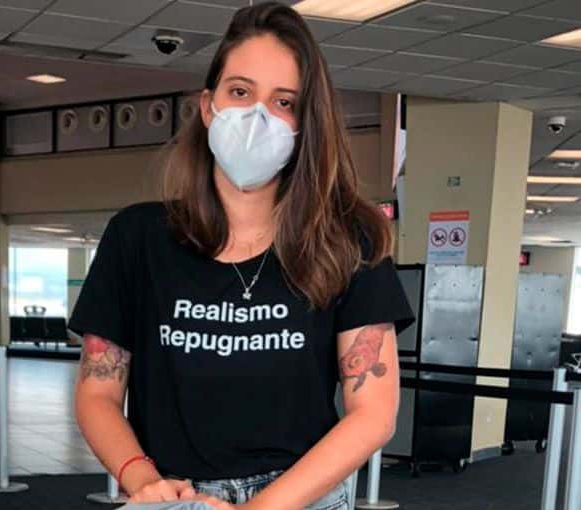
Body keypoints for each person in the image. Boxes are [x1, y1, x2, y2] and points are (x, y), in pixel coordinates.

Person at [69, 3, 415, 509]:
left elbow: (373, 413)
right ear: (208, 107)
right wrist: (142, 480)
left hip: (299, 496)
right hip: (172, 494)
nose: (257, 116)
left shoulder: (348, 241)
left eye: (283, 102)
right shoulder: (137, 238)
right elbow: (98, 393)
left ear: (304, 123)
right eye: (240, 92)